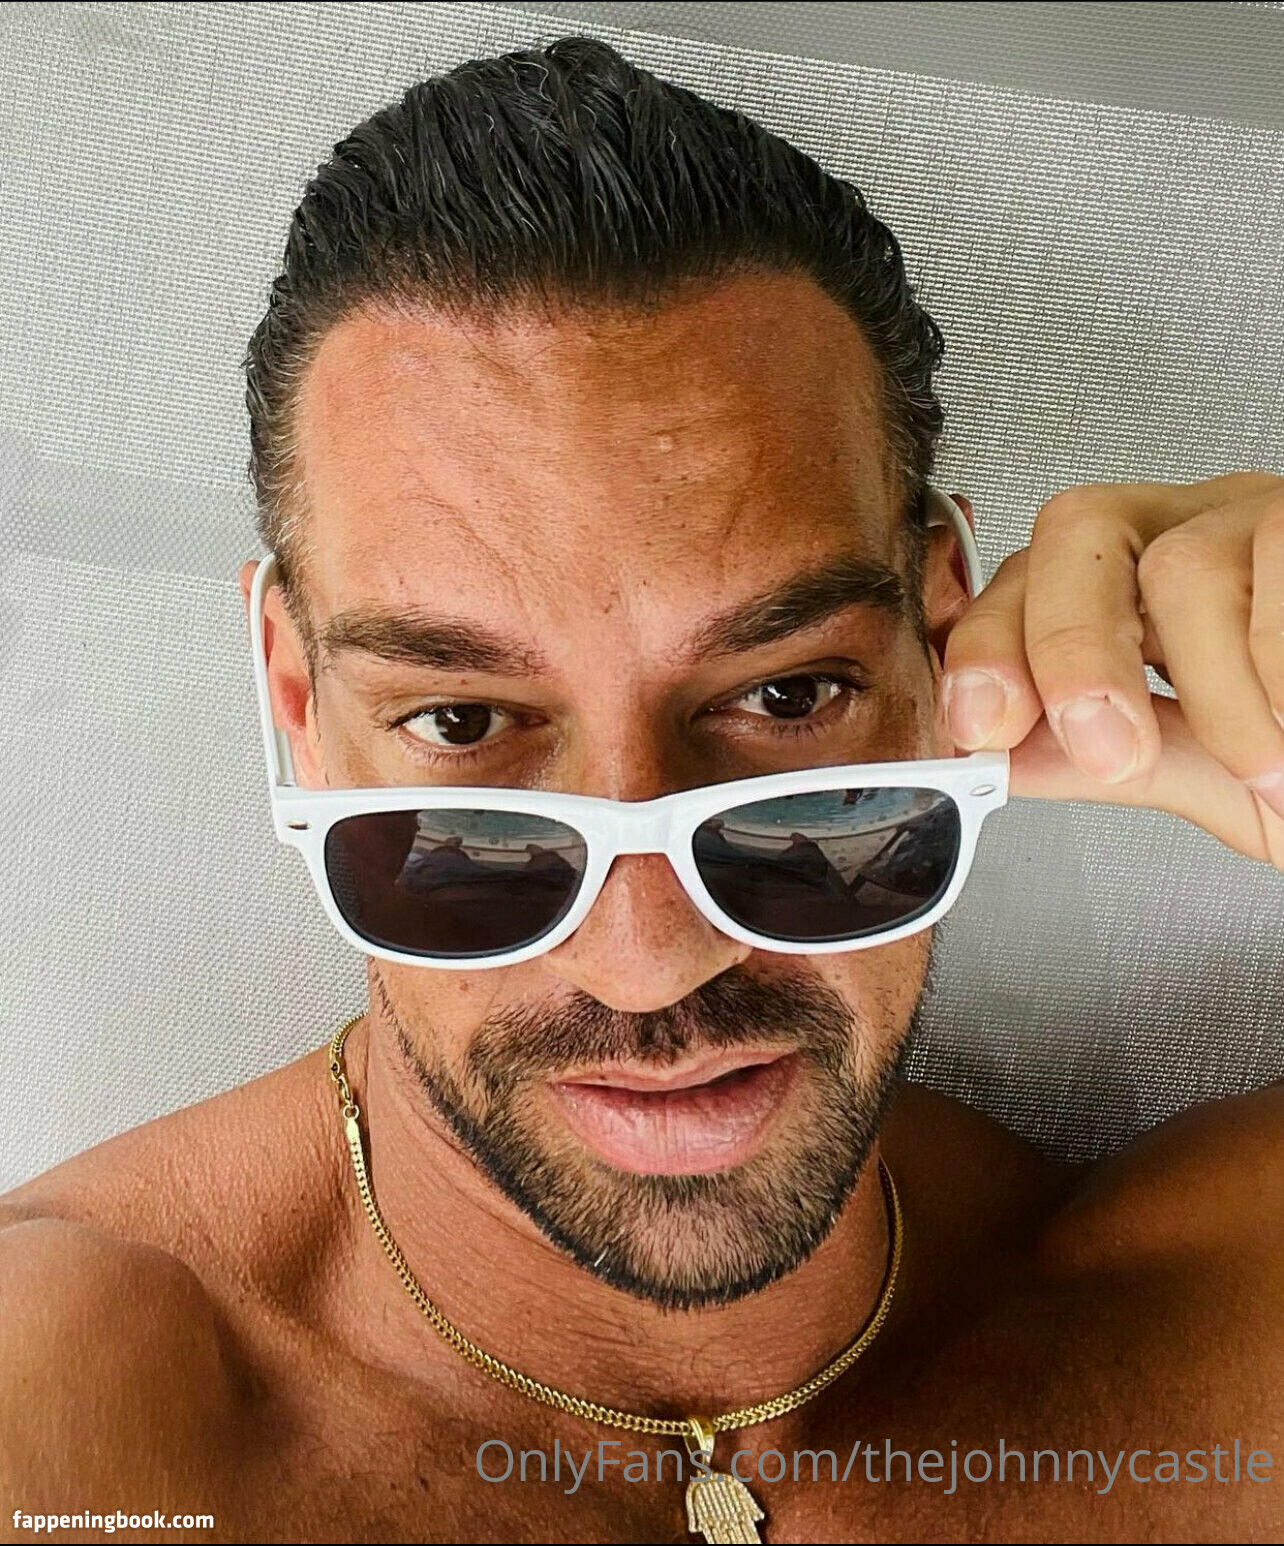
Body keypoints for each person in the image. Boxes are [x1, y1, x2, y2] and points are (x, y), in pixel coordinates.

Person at [3, 34, 1282, 1546]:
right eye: (462, 719)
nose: (649, 958)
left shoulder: (1227, 1307)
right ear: (298, 709)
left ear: (945, 640)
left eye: (787, 695)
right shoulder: (67, 1415)